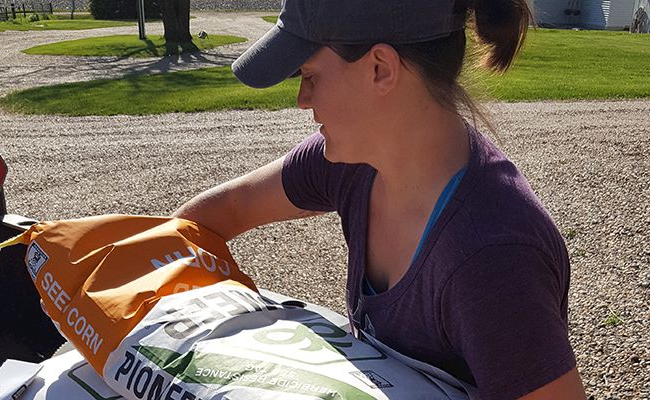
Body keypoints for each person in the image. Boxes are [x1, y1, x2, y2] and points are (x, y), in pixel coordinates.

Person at [173, 0, 587, 398]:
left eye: (310, 75)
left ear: (380, 69)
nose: (302, 98)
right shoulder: (352, 164)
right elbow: (216, 214)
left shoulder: (491, 258)